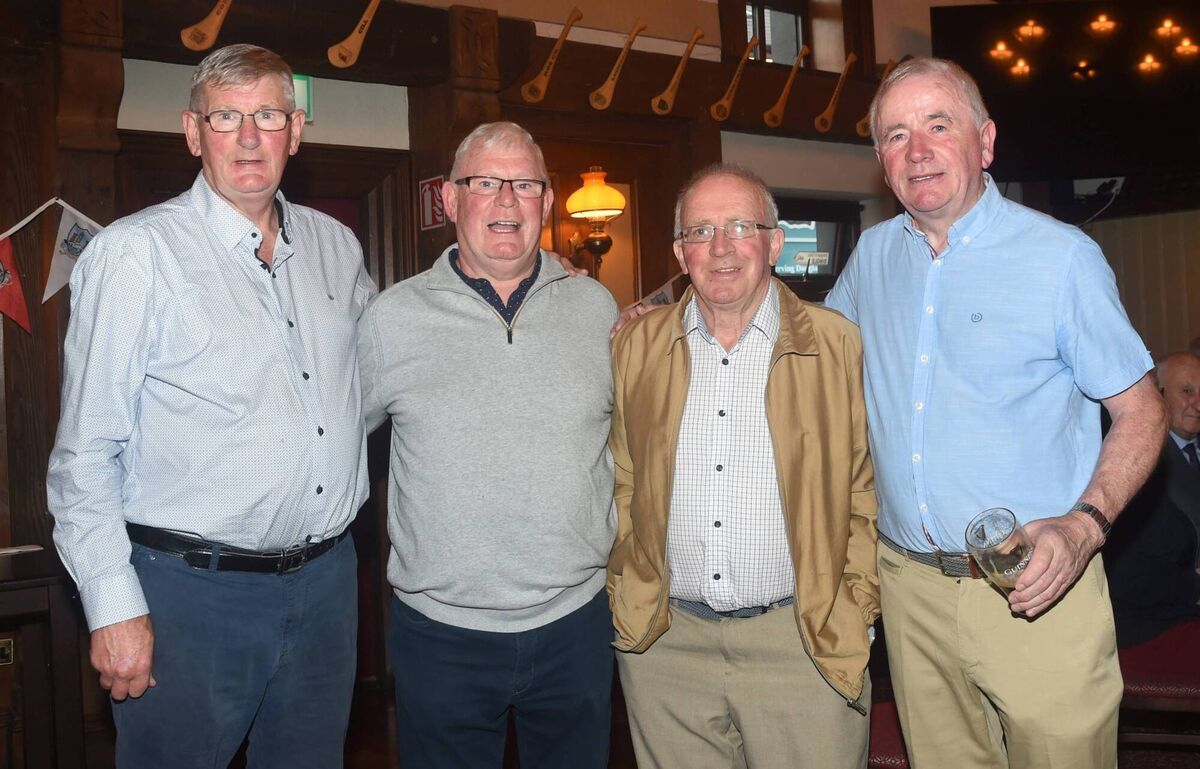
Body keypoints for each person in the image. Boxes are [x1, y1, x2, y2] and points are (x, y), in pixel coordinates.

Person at [824, 56, 1167, 769]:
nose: (916, 151)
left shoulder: (1062, 258)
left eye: (937, 125)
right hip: (910, 589)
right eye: (894, 134)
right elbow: (805, 350)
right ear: (880, 160)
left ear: (984, 142)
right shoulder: (872, 257)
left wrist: (1086, 523)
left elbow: (1144, 411)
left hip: (1036, 582)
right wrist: (671, 310)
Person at [46, 44, 375, 767]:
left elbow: (378, 380)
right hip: (189, 599)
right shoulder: (136, 254)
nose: (250, 136)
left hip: (327, 589)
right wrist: (113, 604)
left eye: (268, 114)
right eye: (226, 116)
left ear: (296, 131)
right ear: (193, 133)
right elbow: (84, 454)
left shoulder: (339, 249)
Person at [357, 121, 618, 768]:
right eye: (485, 183)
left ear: (547, 203)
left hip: (576, 625)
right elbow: (327, 448)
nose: (506, 201)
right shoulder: (391, 319)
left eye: (524, 184)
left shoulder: (597, 309)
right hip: (442, 636)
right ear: (449, 200)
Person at [608, 164, 878, 769]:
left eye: (740, 226)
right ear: (680, 252)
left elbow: (865, 491)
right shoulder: (635, 346)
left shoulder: (838, 344)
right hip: (666, 648)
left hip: (803, 642)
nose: (721, 248)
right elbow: (623, 479)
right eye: (700, 232)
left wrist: (855, 608)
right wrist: (625, 588)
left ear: (775, 242)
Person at [1105, 351, 1200, 647]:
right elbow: (1129, 572)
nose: (1198, 404)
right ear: (1158, 395)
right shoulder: (1133, 463)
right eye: (1187, 391)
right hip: (1160, 622)